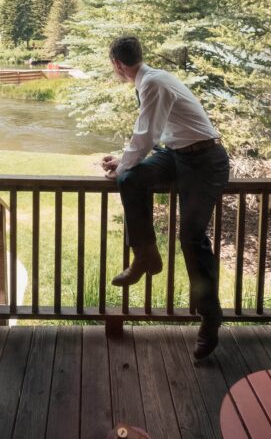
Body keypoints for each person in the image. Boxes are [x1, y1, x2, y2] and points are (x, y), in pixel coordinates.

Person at [101, 36, 230, 360]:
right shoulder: (152, 78)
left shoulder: (154, 83)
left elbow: (147, 133)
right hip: (176, 154)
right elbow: (157, 135)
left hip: (204, 161)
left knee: (191, 238)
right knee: (130, 179)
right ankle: (145, 256)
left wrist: (125, 163)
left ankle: (210, 317)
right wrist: (124, 164)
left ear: (117, 64)